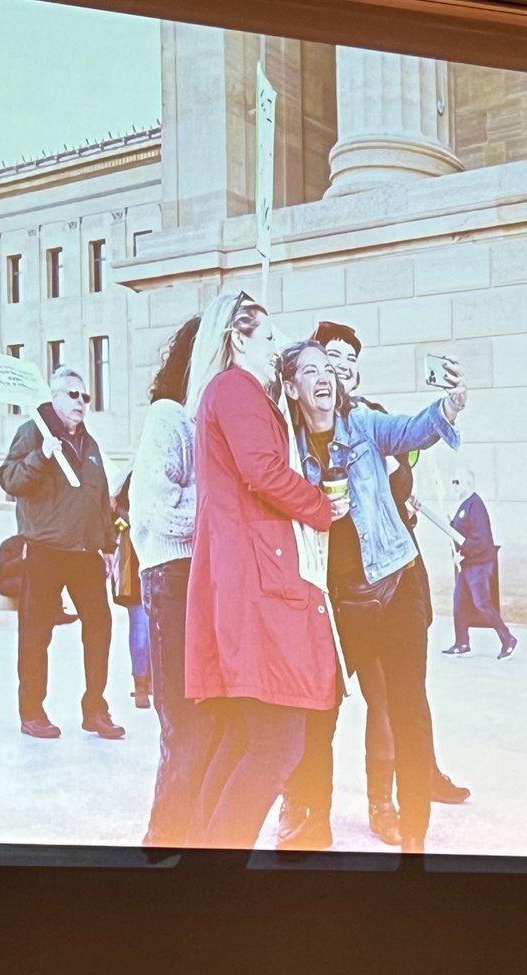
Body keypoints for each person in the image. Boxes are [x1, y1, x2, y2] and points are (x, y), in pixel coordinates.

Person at [280, 321, 469, 852]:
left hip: (396, 583)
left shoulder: (363, 423)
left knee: (407, 708)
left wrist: (449, 406)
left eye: (331, 369)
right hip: (337, 601)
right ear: (292, 387)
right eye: (312, 370)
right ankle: (308, 819)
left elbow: (412, 430)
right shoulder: (287, 446)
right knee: (319, 713)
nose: (326, 377)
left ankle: (413, 835)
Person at [184, 293, 340, 850]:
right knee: (277, 745)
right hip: (257, 583)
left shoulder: (225, 394)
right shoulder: (235, 388)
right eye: (269, 339)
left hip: (244, 577)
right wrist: (322, 506)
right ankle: (217, 868)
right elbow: (264, 470)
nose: (278, 351)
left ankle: (205, 860)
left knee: (245, 738)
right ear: (238, 338)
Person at [128, 315, 219, 846]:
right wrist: (217, 510)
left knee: (210, 719)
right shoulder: (169, 416)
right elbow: (158, 511)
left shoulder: (209, 419)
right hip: (171, 573)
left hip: (205, 574)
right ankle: (163, 839)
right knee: (182, 722)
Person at [0, 366, 124, 740]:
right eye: (73, 395)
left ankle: (95, 709)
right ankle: (33, 711)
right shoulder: (33, 432)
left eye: (85, 397)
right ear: (53, 396)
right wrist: (41, 455)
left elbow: (100, 497)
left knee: (100, 627)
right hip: (45, 549)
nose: (81, 403)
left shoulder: (90, 443)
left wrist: (108, 546)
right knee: (36, 633)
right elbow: (10, 480)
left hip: (86, 553)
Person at [443, 468, 518, 660]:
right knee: (459, 602)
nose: (453, 486)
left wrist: (463, 551)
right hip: (468, 563)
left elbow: (481, 539)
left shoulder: (475, 505)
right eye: (453, 482)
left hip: (479, 564)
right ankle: (462, 643)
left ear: (468, 484)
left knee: (481, 603)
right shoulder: (464, 506)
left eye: (457, 482)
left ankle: (507, 638)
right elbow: (461, 533)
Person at [110, 473, 152, 709]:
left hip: (160, 563)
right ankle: (141, 685)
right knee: (141, 627)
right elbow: (114, 522)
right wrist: (128, 523)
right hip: (134, 571)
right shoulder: (121, 513)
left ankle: (151, 682)